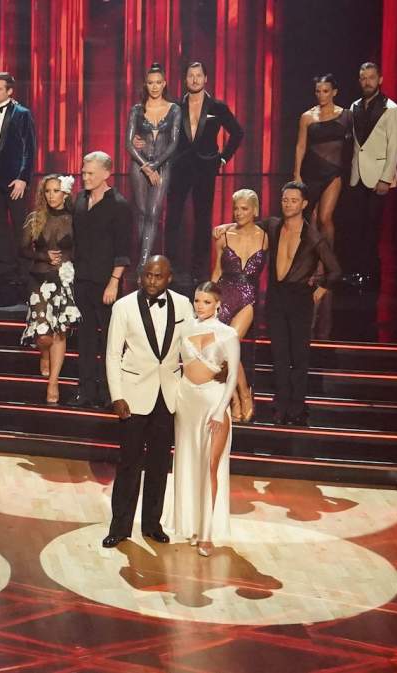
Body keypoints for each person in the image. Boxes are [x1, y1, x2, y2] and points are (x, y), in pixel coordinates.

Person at [103, 255, 194, 549]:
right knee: (128, 463)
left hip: (168, 396)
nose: (152, 281)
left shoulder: (183, 305)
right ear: (141, 276)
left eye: (158, 276)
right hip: (133, 395)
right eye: (148, 275)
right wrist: (117, 395)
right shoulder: (123, 306)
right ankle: (120, 527)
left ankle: (153, 524)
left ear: (169, 278)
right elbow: (113, 354)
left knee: (159, 463)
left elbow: (191, 349)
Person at [169, 281, 238, 557]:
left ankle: (207, 533)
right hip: (186, 401)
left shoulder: (228, 334)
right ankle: (192, 526)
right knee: (189, 463)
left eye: (206, 301)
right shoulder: (185, 328)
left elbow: (233, 376)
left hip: (213, 402)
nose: (200, 306)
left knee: (211, 466)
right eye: (197, 300)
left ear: (218, 304)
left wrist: (221, 409)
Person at [265, 182, 341, 426]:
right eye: (285, 200)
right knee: (279, 354)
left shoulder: (313, 237)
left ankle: (297, 406)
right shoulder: (273, 225)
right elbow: (247, 226)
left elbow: (335, 271)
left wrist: (319, 291)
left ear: (304, 204)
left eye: (293, 200)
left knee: (299, 356)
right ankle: (281, 404)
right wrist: (225, 228)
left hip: (299, 299)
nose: (288, 204)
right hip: (276, 298)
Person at [163, 61, 243, 284]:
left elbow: (237, 133)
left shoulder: (217, 107)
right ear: (185, 79)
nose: (195, 79)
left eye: (199, 75)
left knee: (202, 218)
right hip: (180, 168)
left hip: (205, 168)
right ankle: (170, 266)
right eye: (191, 75)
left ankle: (199, 270)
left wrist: (223, 158)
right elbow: (162, 133)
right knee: (173, 217)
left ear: (206, 78)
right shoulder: (175, 107)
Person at [66, 151, 132, 409]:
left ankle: (108, 392)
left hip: (106, 282)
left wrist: (114, 282)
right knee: (85, 339)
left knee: (109, 341)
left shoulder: (119, 205)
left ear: (107, 173)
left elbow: (124, 248)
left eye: (90, 173)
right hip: (82, 280)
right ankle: (86, 391)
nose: (85, 177)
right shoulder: (80, 200)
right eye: (83, 172)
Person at [294, 74, 352, 338]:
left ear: (334, 92)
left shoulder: (346, 115)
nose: (321, 95)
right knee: (313, 219)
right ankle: (314, 263)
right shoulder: (307, 116)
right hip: (311, 172)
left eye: (326, 90)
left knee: (326, 218)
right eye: (318, 90)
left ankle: (328, 263)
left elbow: (356, 144)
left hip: (334, 173)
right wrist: (296, 174)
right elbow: (301, 146)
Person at [20, 174, 81, 404]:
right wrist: (43, 255)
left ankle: (53, 382)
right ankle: (44, 354)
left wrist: (67, 260)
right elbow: (22, 249)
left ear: (65, 193)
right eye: (47, 191)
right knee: (44, 336)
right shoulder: (35, 218)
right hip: (38, 280)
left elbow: (81, 249)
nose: (51, 195)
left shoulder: (74, 219)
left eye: (56, 191)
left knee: (59, 332)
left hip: (63, 281)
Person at [345, 61, 397, 291]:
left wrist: (386, 178)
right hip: (358, 175)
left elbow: (395, 146)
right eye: (363, 78)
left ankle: (370, 274)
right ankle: (359, 271)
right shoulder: (355, 106)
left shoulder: (392, 109)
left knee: (372, 227)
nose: (367, 82)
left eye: (371, 77)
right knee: (357, 225)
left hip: (379, 177)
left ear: (380, 79)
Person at [210, 189, 267, 423]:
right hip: (224, 294)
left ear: (255, 210)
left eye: (244, 208)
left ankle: (242, 395)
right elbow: (217, 272)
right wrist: (209, 301)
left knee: (230, 342)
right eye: (236, 208)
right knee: (224, 349)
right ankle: (237, 397)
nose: (239, 213)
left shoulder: (266, 237)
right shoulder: (223, 236)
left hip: (248, 297)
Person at [0, 72, 36, 293]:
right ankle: (5, 267)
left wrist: (23, 178)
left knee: (21, 225)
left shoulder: (21, 114)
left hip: (13, 179)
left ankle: (25, 269)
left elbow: (29, 148)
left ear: (9, 91)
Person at [126, 63, 181, 269]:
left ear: (164, 83)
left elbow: (173, 143)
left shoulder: (174, 109)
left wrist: (155, 166)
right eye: (151, 83)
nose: (155, 86)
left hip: (162, 165)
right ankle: (145, 257)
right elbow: (128, 143)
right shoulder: (137, 110)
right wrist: (146, 167)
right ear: (146, 85)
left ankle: (142, 265)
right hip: (139, 165)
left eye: (158, 82)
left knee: (153, 213)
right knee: (141, 212)